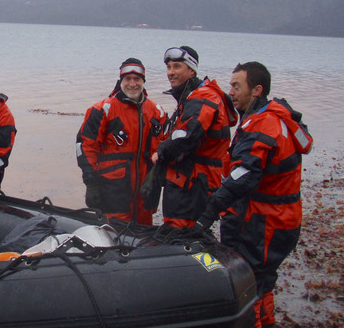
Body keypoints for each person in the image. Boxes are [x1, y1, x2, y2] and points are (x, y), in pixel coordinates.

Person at [194, 61, 313, 328]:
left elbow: (243, 175)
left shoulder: (263, 124)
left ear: (256, 89)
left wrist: (208, 214)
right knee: (263, 277)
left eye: (237, 86)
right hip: (283, 217)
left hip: (266, 220)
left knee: (248, 279)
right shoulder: (279, 118)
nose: (230, 92)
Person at [150, 46, 238, 228]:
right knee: (185, 231)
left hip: (193, 185)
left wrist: (161, 151)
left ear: (191, 70)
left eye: (177, 67)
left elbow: (185, 137)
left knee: (182, 234)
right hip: (189, 181)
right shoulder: (191, 96)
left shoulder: (203, 97)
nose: (171, 73)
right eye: (168, 67)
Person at [76, 58, 166, 225]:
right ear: (120, 81)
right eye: (128, 79)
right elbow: (86, 146)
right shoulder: (102, 110)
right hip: (113, 190)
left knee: (143, 235)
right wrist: (91, 182)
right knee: (113, 234)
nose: (132, 84)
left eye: (137, 79)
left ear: (143, 81)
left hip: (146, 190)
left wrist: (157, 174)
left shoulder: (157, 112)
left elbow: (163, 148)